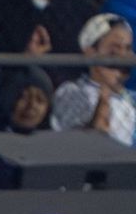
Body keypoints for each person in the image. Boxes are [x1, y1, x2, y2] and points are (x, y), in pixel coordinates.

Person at [51, 13, 136, 147]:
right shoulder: (71, 91)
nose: (123, 57)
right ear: (91, 53)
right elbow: (71, 142)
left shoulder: (131, 101)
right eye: (114, 50)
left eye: (128, 48)